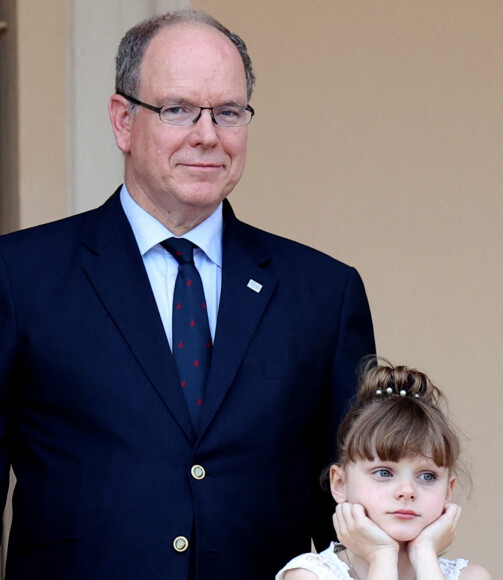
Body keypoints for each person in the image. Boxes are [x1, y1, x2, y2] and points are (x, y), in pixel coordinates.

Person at [0, 8, 375, 580]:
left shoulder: (324, 293)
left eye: (228, 112)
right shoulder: (19, 275)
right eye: (177, 110)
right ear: (123, 121)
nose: (207, 135)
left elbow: (351, 509)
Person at [276, 359, 492, 579]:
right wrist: (382, 554)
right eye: (383, 473)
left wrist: (425, 553)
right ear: (340, 483)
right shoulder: (309, 575)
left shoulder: (471, 576)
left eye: (427, 476)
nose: (407, 491)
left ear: (448, 490)